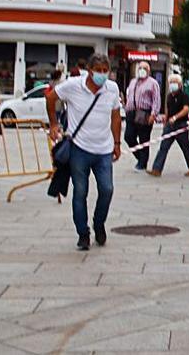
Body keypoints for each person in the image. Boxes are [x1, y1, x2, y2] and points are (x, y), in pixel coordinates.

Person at [46, 54, 122, 251]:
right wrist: (54, 123)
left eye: (106, 71)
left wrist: (116, 142)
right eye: (99, 70)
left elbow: (115, 116)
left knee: (107, 189)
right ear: (89, 70)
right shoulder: (73, 85)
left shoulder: (111, 88)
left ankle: (99, 223)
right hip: (79, 148)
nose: (102, 75)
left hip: (103, 149)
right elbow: (51, 97)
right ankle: (83, 232)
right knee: (80, 191)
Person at [151, 74, 189, 177]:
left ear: (180, 84)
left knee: (185, 147)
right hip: (170, 125)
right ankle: (156, 169)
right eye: (171, 82)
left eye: (175, 82)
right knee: (163, 147)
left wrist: (175, 117)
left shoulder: (184, 96)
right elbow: (168, 109)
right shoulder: (169, 96)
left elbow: (186, 109)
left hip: (181, 125)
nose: (172, 85)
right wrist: (166, 120)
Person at [123, 62, 160, 173]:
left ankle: (142, 163)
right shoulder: (133, 81)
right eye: (140, 68)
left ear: (149, 71)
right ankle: (140, 157)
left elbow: (156, 99)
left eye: (144, 68)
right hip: (131, 112)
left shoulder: (153, 83)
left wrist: (153, 114)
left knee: (144, 139)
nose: (142, 70)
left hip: (144, 113)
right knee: (128, 137)